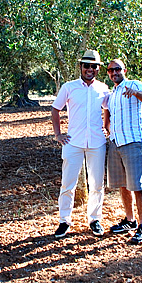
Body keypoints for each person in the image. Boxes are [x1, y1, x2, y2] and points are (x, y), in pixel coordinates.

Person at [51, 50, 110, 239]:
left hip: (97, 142)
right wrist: (58, 134)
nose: (90, 69)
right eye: (87, 65)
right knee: (68, 183)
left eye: (94, 66)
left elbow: (108, 109)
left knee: (97, 184)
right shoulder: (69, 87)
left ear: (98, 69)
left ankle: (94, 219)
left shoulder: (103, 88)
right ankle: (64, 221)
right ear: (81, 67)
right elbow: (55, 109)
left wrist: (106, 128)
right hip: (73, 142)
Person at [102, 58, 142, 244]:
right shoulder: (112, 92)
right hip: (116, 142)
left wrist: (136, 93)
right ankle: (129, 221)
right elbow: (107, 111)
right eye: (110, 70)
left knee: (138, 185)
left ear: (124, 70)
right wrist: (106, 127)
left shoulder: (133, 84)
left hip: (132, 141)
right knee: (123, 184)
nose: (114, 73)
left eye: (117, 69)